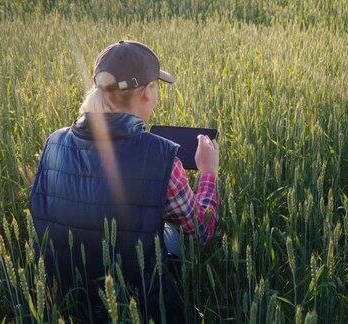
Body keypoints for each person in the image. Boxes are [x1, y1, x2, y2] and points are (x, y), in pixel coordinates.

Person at [29, 40, 220, 323]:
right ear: (146, 92)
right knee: (170, 230)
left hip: (61, 299)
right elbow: (202, 231)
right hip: (137, 303)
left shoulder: (54, 142)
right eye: (156, 87)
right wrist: (208, 173)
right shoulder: (162, 156)